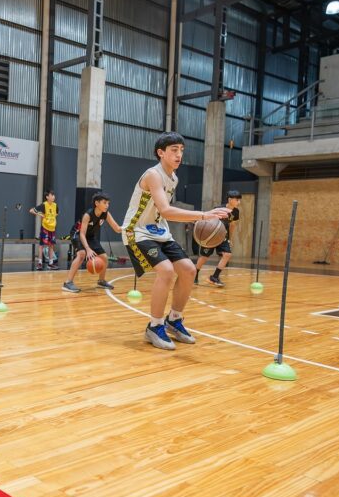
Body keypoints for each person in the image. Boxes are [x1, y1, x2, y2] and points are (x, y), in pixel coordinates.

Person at [121, 132, 229, 351]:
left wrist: (197, 218)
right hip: (137, 232)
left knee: (189, 270)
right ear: (161, 153)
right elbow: (166, 210)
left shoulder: (174, 178)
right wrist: (204, 215)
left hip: (160, 232)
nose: (179, 154)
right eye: (174, 150)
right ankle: (154, 326)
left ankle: (174, 320)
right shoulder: (154, 175)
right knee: (167, 271)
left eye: (181, 150)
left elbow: (165, 215)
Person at [62, 192, 121, 293]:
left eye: (108, 203)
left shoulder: (105, 214)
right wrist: (88, 249)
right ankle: (68, 283)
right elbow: (82, 234)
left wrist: (128, 229)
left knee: (104, 257)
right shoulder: (87, 215)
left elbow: (117, 228)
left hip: (90, 236)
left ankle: (101, 281)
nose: (107, 205)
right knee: (82, 254)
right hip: (77, 233)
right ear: (97, 203)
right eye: (105, 202)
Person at [195, 190, 241, 287]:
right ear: (230, 200)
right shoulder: (219, 209)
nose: (239, 202)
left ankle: (214, 277)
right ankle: (194, 275)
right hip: (212, 236)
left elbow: (232, 225)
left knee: (227, 254)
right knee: (204, 257)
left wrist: (230, 238)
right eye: (237, 200)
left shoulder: (236, 212)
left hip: (223, 236)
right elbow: (209, 222)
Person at [30, 190, 59, 270]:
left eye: (54, 195)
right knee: (41, 245)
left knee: (51, 246)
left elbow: (56, 213)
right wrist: (39, 214)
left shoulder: (55, 205)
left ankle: (50, 263)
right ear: (47, 197)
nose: (53, 196)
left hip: (52, 229)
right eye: (52, 195)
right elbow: (31, 210)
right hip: (45, 228)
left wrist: (51, 220)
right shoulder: (44, 205)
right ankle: (39, 263)